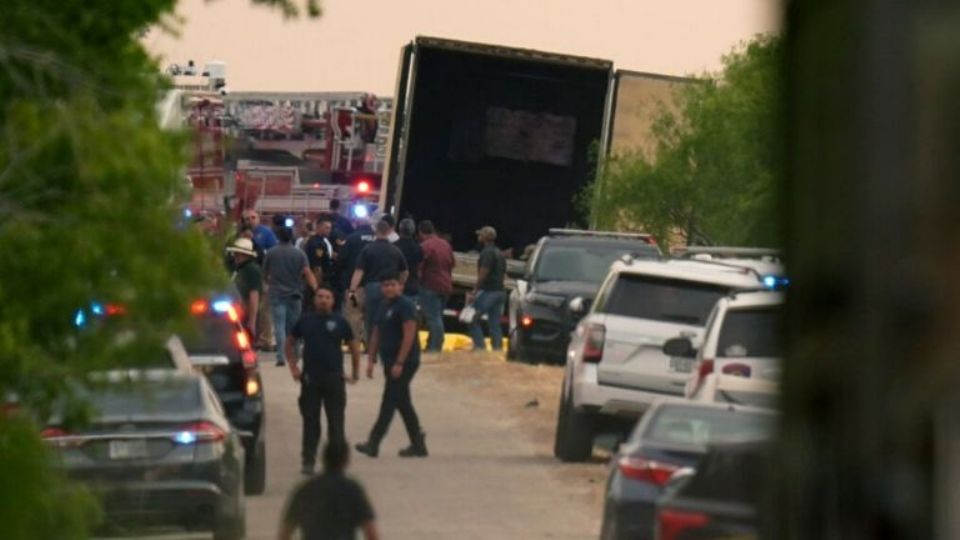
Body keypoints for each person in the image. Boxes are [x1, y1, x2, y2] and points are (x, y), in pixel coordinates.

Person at [285, 287, 362, 475]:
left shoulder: (340, 322)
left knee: (336, 423)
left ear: (333, 301)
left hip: (334, 379)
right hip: (310, 379)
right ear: (314, 300)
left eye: (327, 297)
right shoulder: (305, 320)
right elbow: (289, 343)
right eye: (320, 297)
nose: (323, 300)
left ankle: (336, 465)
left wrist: (355, 372)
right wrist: (294, 367)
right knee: (311, 423)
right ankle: (308, 461)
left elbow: (354, 347)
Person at [355, 274, 428, 458]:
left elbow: (409, 334)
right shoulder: (383, 305)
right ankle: (418, 443)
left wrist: (400, 362)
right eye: (385, 285)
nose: (389, 288)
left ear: (400, 287)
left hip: (405, 361)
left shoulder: (405, 306)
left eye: (392, 284)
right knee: (402, 401)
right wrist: (371, 359)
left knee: (389, 401)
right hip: (388, 361)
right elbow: (376, 333)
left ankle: (374, 442)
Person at [278, 441, 379, 540]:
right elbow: (370, 531)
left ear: (323, 459)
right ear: (346, 460)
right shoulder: (352, 489)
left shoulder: (306, 488)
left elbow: (286, 531)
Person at [264, 226, 318, 366]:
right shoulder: (299, 254)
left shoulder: (271, 253)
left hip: (276, 293)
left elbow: (264, 273)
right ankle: (295, 353)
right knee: (294, 326)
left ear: (278, 237)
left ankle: (281, 356)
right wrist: (316, 289)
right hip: (295, 294)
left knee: (279, 326)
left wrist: (266, 285)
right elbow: (307, 272)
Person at [349, 220, 408, 342]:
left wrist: (352, 290)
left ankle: (371, 347)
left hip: (372, 287)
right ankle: (385, 344)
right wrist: (400, 285)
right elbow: (405, 272)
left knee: (371, 318)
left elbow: (359, 271)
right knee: (388, 316)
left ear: (375, 230)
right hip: (391, 288)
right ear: (388, 231)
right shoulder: (396, 250)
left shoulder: (368, 249)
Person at [468, 226, 507, 352]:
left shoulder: (487, 253)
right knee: (494, 324)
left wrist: (475, 290)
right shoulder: (499, 252)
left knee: (472, 319)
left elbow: (483, 273)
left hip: (489, 291)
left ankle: (480, 348)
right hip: (500, 292)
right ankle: (497, 350)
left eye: (480, 235)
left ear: (485, 237)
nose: (478, 237)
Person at [418, 220, 455, 353]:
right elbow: (452, 263)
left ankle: (435, 348)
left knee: (433, 319)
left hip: (431, 285)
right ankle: (431, 345)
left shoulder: (425, 246)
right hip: (446, 285)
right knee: (438, 316)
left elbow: (419, 267)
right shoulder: (445, 244)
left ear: (421, 233)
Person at [340, 216, 376, 340]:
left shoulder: (351, 238)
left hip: (355, 285)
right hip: (375, 286)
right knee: (372, 315)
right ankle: (369, 343)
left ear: (357, 224)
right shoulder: (379, 239)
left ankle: (353, 342)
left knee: (354, 314)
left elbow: (342, 260)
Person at [226, 237, 262, 338]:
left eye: (237, 254)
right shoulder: (238, 268)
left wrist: (252, 321)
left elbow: (254, 295)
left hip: (246, 312)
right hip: (237, 312)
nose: (235, 256)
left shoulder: (252, 270)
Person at [393, 219, 423, 300]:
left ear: (399, 229)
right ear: (413, 231)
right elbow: (420, 267)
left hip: (395, 286)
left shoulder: (394, 247)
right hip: (412, 287)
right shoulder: (418, 248)